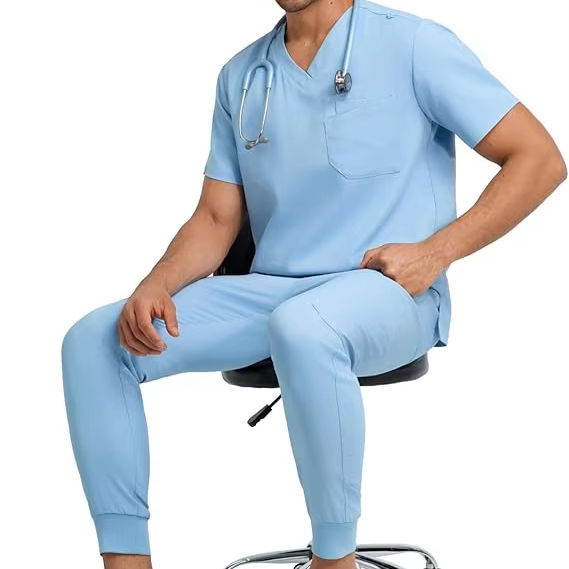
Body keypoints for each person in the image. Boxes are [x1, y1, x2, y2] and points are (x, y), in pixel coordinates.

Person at [61, 1, 566, 568]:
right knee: (95, 341)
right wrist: (156, 282)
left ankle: (334, 558)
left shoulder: (414, 46)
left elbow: (539, 159)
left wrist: (436, 252)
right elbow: (217, 218)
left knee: (303, 327)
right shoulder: (243, 76)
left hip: (389, 291)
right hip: (274, 292)